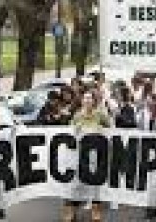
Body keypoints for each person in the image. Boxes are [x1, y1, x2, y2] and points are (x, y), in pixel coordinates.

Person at [63, 91, 111, 222]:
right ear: (82, 101)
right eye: (85, 98)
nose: (88, 100)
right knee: (74, 182)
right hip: (79, 154)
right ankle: (70, 210)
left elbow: (111, 128)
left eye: (90, 98)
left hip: (95, 155)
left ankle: (95, 210)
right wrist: (75, 128)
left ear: (93, 101)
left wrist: (102, 129)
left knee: (95, 182)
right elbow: (69, 131)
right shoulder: (77, 115)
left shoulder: (100, 114)